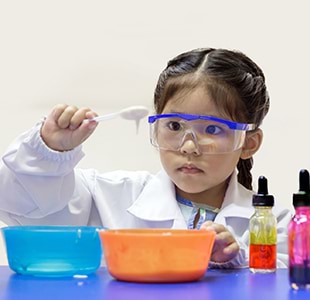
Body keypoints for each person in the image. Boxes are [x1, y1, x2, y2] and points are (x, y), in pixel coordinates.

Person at [0, 48, 290, 268]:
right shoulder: (108, 197)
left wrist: (236, 257)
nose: (189, 147)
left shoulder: (275, 222)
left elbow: (295, 277)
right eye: (174, 126)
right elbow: (21, 204)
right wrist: (50, 151)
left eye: (212, 129)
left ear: (249, 143)